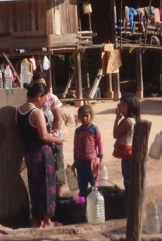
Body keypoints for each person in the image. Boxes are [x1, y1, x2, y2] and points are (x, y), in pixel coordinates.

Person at [16, 81, 65, 228]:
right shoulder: (36, 112)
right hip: (42, 153)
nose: (44, 101)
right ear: (38, 96)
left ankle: (37, 219)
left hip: (29, 153)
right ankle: (47, 220)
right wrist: (58, 139)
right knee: (47, 186)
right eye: (44, 98)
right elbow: (44, 136)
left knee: (35, 186)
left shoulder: (19, 111)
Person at [31, 70, 68, 198]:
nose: (41, 85)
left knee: (58, 166)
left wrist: (53, 132)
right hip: (40, 139)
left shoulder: (52, 99)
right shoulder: (33, 100)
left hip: (54, 137)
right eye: (38, 83)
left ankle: (59, 196)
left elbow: (58, 120)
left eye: (43, 82)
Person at [73, 104, 104, 203]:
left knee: (94, 183)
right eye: (82, 116)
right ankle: (82, 205)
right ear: (79, 117)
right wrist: (75, 162)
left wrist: (101, 159)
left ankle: (96, 202)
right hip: (80, 161)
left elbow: (100, 144)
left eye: (87, 116)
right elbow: (75, 146)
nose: (84, 118)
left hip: (91, 161)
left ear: (91, 116)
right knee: (82, 185)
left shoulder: (95, 129)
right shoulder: (78, 131)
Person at [112, 92, 140, 191]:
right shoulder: (133, 119)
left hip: (128, 154)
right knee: (129, 177)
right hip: (130, 153)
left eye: (122, 105)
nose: (119, 107)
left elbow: (115, 135)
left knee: (128, 179)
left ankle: (129, 198)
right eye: (119, 104)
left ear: (131, 107)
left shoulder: (128, 121)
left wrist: (116, 120)